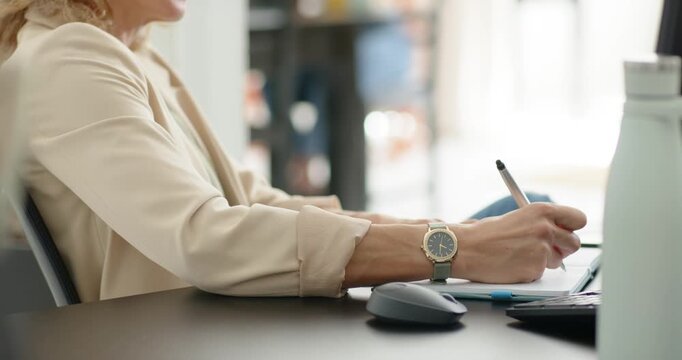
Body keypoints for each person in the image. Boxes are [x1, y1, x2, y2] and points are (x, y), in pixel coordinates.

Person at [0, 0, 586, 303]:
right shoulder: (68, 58)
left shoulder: (130, 54)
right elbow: (206, 239)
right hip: (189, 330)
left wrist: (442, 230)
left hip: (223, 316)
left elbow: (248, 198)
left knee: (533, 210)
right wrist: (451, 248)